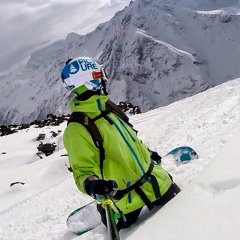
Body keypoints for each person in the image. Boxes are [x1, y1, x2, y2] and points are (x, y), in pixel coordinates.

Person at [61, 56, 181, 230]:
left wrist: (147, 154)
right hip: (123, 200)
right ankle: (102, 207)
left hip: (154, 183)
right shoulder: (78, 129)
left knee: (184, 204)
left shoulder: (109, 108)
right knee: (122, 229)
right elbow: (83, 170)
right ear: (88, 81)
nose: (104, 79)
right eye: (99, 75)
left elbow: (129, 140)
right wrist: (94, 185)